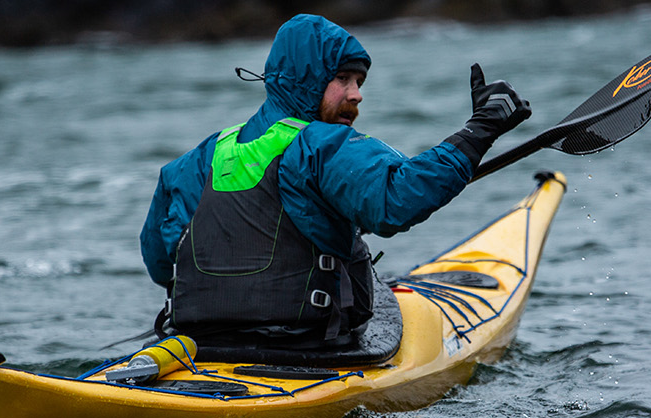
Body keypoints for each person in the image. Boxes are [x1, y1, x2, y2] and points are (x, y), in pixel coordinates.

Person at [140, 14, 531, 348]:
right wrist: (480, 130)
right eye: (343, 79)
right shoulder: (320, 145)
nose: (356, 94)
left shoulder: (202, 157)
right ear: (304, 80)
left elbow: (161, 262)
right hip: (306, 344)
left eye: (359, 82)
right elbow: (397, 199)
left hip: (201, 343)